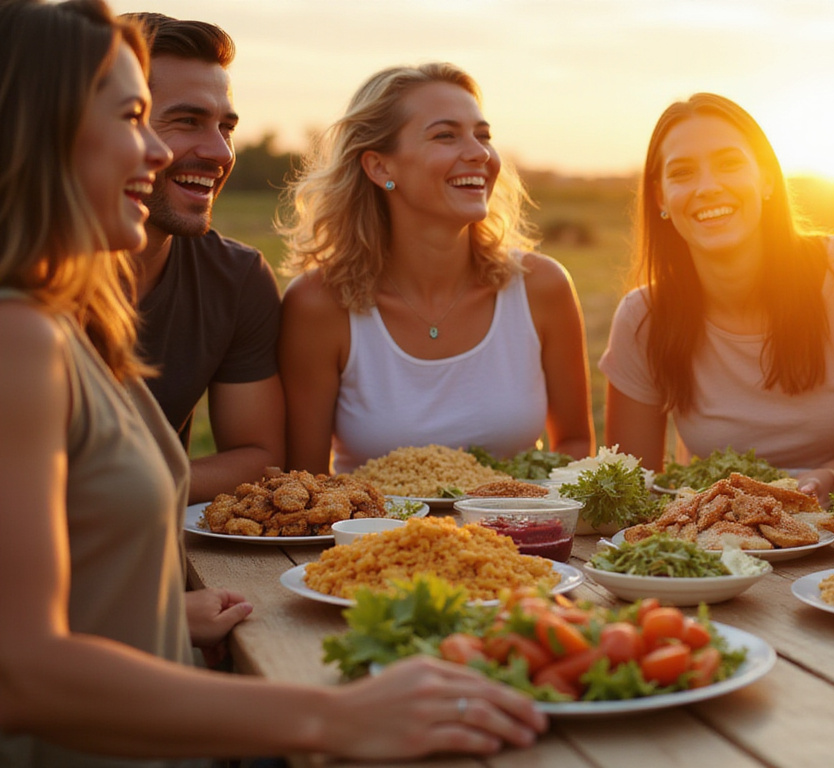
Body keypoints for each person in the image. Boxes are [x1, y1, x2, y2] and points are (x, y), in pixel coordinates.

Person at [0, 1, 546, 762]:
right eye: (136, 116)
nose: (160, 152)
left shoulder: (68, 324)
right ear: (38, 126)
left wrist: (155, 613)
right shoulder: (21, 337)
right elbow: (21, 676)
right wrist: (338, 718)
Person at [280, 63, 592, 476]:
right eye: (446, 135)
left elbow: (574, 444)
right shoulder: (318, 304)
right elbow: (304, 483)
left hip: (515, 537)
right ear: (380, 167)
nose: (479, 153)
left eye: (483, 136)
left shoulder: (542, 287)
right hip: (375, 540)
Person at [600, 92, 834, 497]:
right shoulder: (642, 316)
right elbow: (631, 491)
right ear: (661, 197)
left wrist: (821, 480)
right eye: (682, 173)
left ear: (766, 179)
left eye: (729, 164)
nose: (708, 187)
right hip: (724, 546)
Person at [123, 13, 285, 505]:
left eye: (226, 127)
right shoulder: (25, 277)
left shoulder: (235, 278)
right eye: (187, 121)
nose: (219, 151)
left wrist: (127, 494)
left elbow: (261, 456)